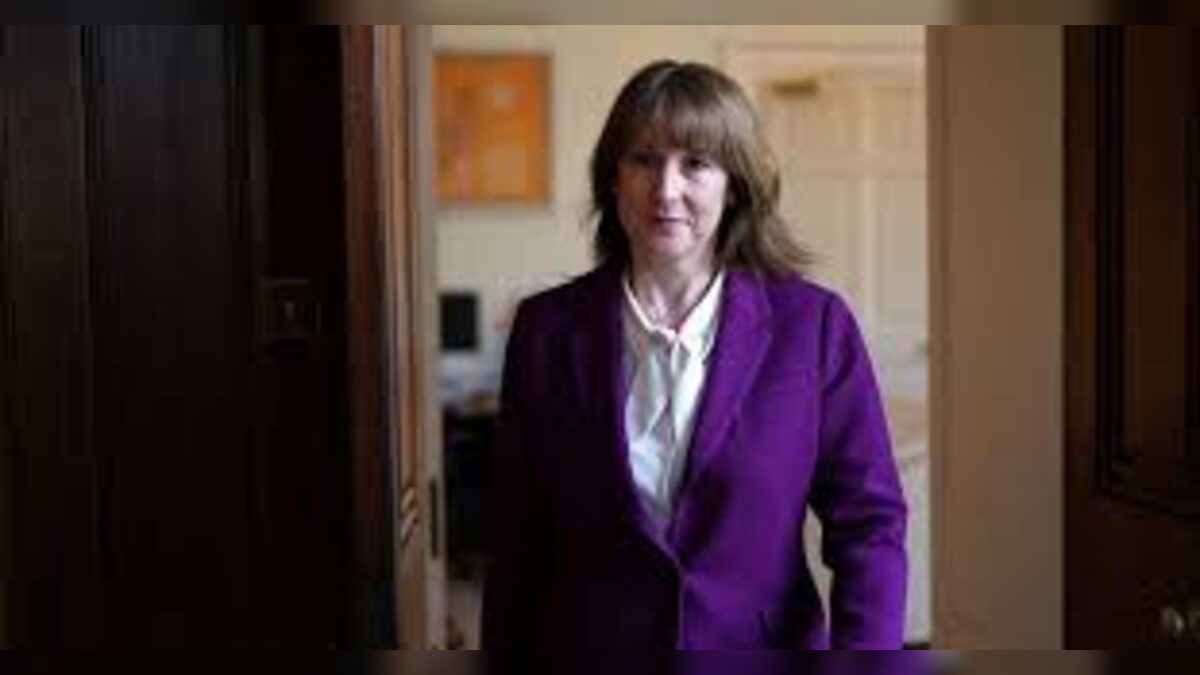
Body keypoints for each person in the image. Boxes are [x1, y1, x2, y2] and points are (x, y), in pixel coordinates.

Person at [482, 59, 907, 651]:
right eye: (644, 159)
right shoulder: (547, 332)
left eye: (696, 164)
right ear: (613, 178)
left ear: (735, 185)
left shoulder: (813, 328)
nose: (666, 189)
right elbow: (518, 538)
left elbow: (869, 527)